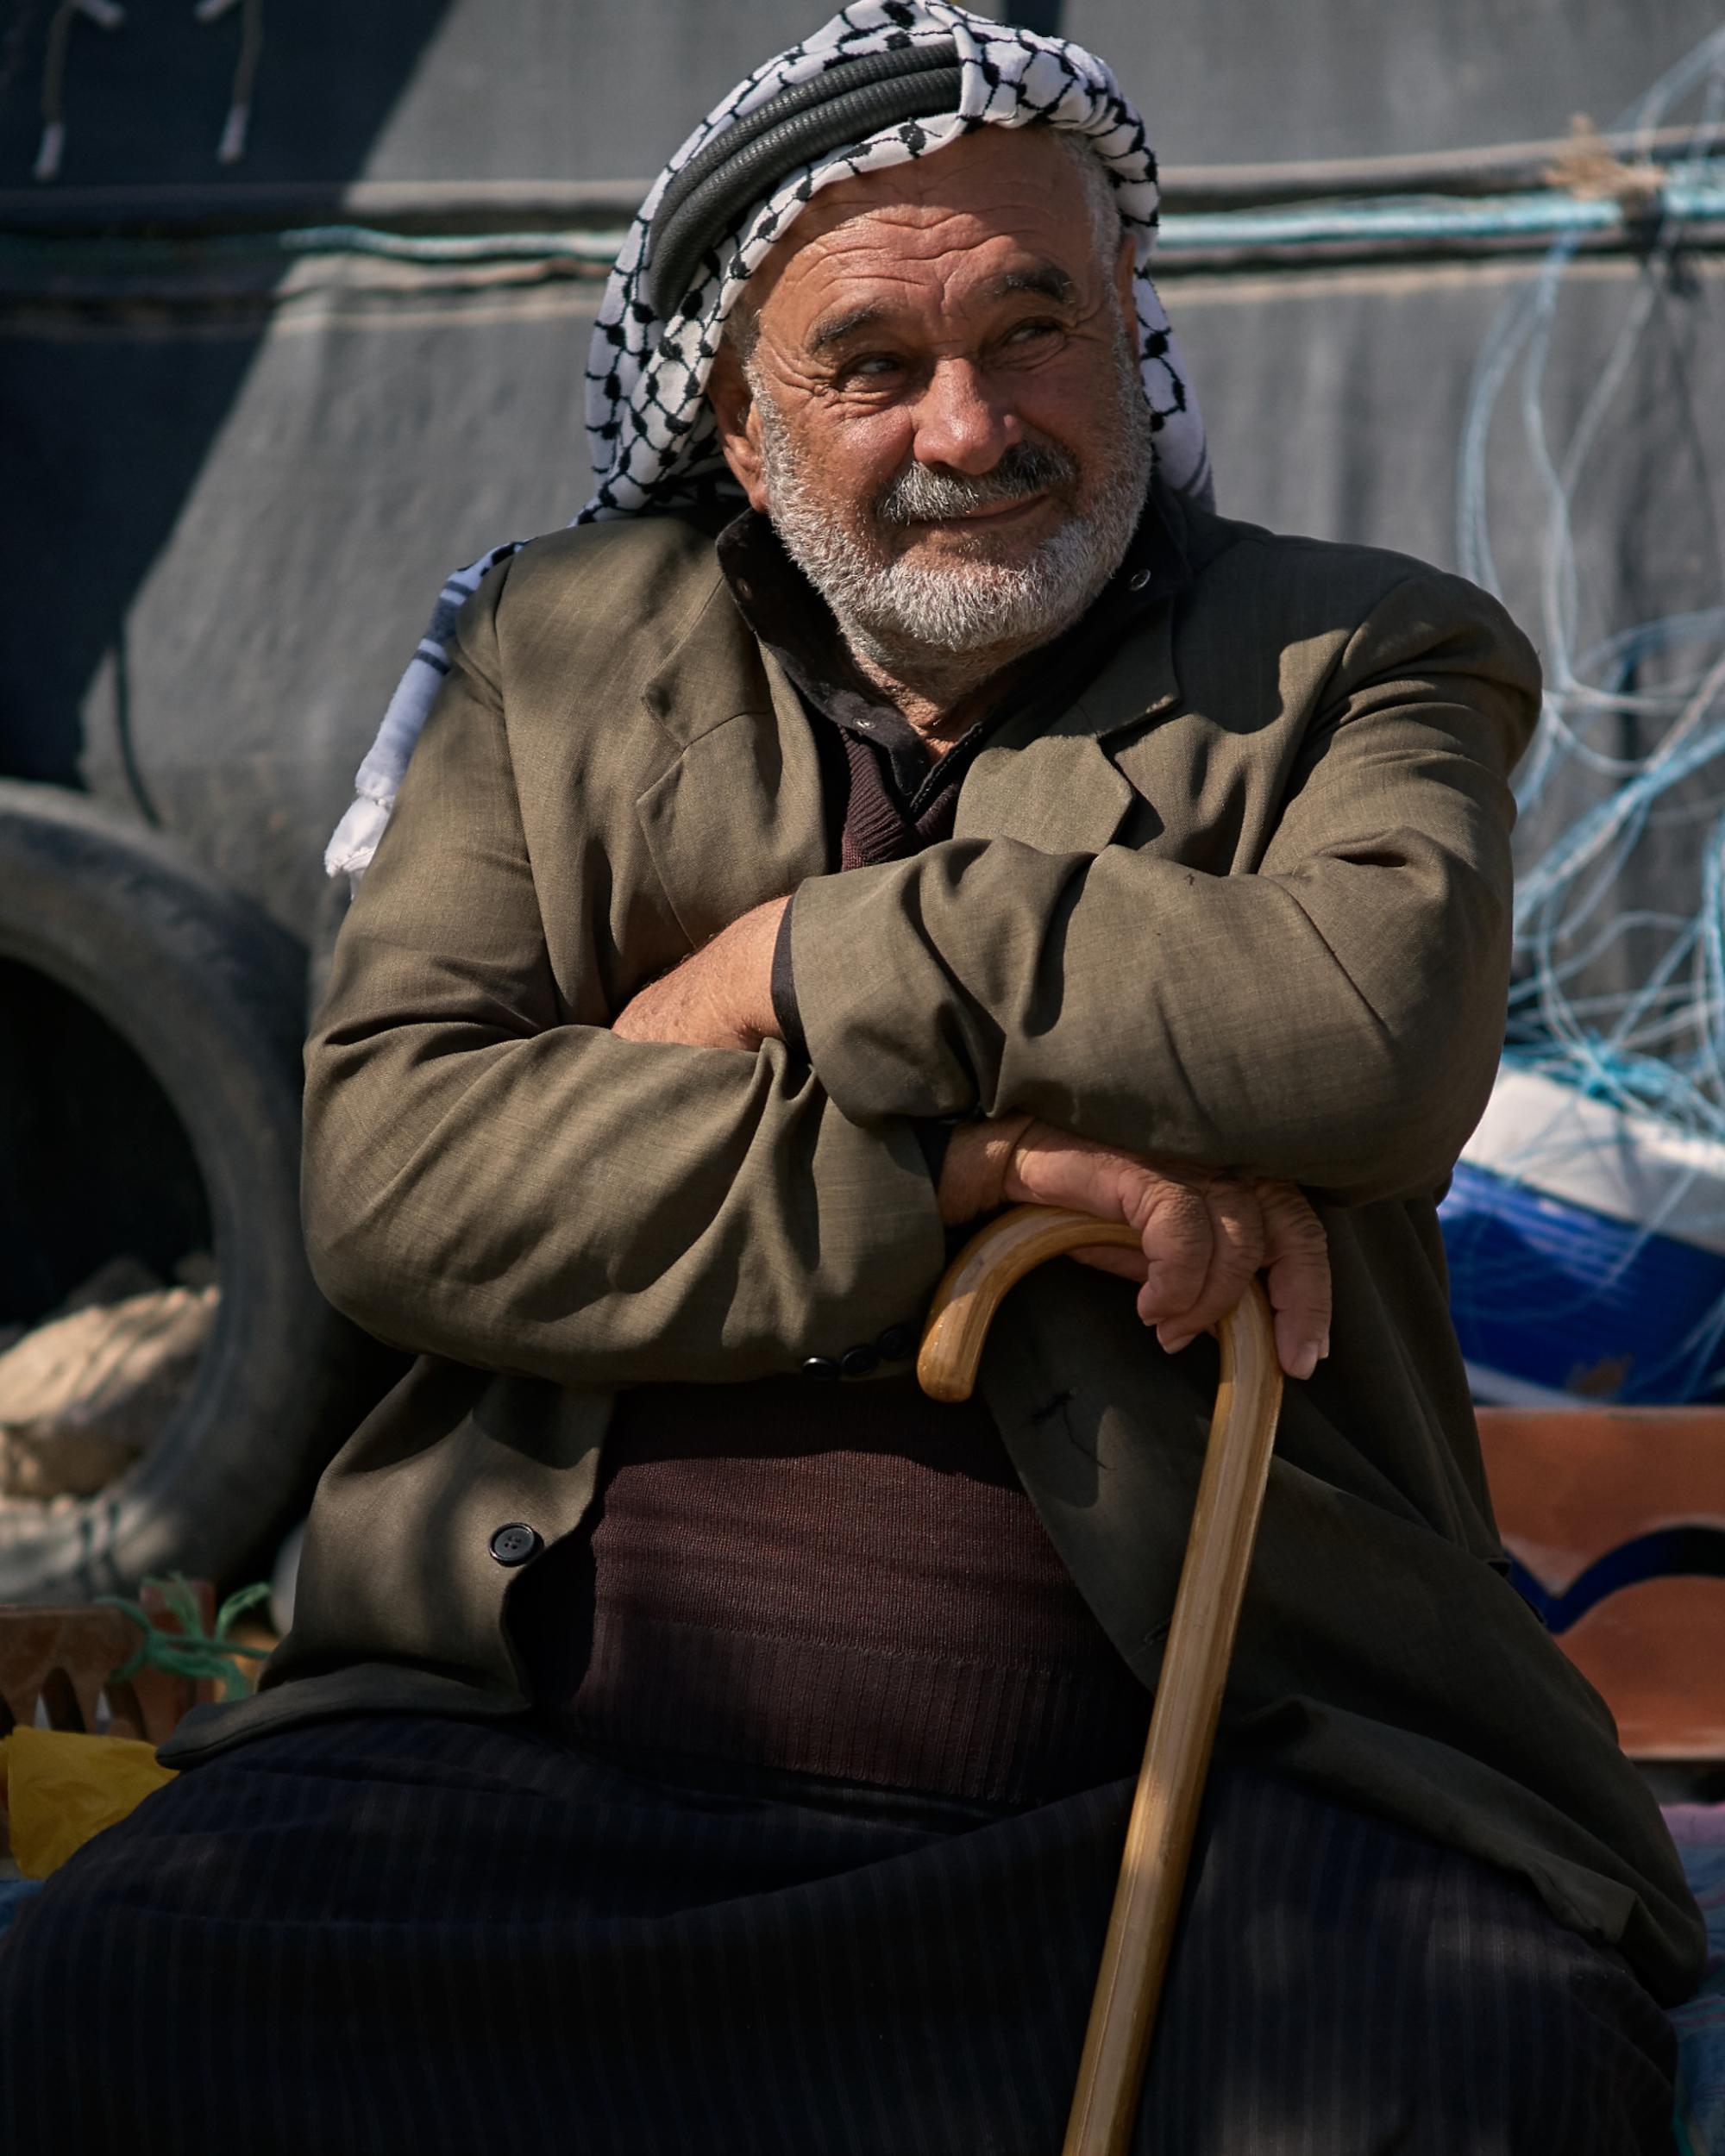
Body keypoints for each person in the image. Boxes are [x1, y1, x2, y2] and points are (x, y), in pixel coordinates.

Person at [0, 7, 1702, 2152]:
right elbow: (402, 1172)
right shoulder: (555, 657)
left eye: (1032, 327)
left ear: (1128, 323)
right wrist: (972, 1168)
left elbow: (1360, 1034)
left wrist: (814, 955)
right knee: (109, 1991)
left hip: (1178, 1773)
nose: (970, 422)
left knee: (1483, 2068)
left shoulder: (1353, 655)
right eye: (872, 364)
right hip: (552, 1757)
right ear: (738, 409)